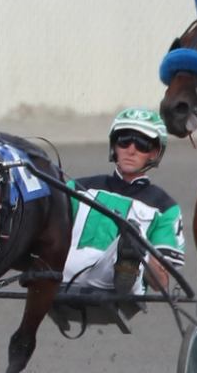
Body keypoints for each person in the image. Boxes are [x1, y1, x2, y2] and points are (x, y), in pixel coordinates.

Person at [64, 108, 185, 306]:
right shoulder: (78, 188)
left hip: (115, 284)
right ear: (114, 147)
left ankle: (129, 256)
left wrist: (141, 250)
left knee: (130, 238)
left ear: (154, 153)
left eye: (142, 144)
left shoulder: (165, 207)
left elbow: (161, 283)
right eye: (124, 141)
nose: (131, 149)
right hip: (65, 271)